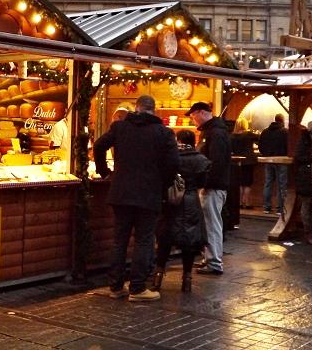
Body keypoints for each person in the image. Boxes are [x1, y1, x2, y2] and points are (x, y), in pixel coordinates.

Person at [93, 95, 179, 302]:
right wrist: (163, 183)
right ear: (154, 110)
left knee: (119, 240)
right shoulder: (164, 133)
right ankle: (138, 288)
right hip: (148, 194)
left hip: (120, 191)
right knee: (143, 240)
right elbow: (174, 164)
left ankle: (115, 287)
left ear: (137, 108)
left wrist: (105, 171)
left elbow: (98, 146)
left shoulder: (120, 127)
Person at [153, 129, 210, 293]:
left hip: (171, 200)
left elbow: (163, 176)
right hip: (191, 201)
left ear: (178, 140)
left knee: (165, 238)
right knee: (189, 242)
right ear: (194, 141)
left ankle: (157, 276)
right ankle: (187, 279)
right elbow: (202, 182)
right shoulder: (201, 160)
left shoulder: (171, 158)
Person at [185, 101, 231, 276]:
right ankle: (209, 258)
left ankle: (214, 262)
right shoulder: (213, 131)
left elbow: (216, 162)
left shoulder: (215, 133)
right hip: (212, 185)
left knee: (211, 224)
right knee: (208, 224)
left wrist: (206, 183)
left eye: (193, 115)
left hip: (212, 187)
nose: (193, 119)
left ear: (202, 113)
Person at [258, 113, 288, 214]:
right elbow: (289, 146)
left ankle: (266, 207)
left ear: (274, 120)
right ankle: (280, 208)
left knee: (268, 183)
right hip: (282, 160)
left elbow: (260, 146)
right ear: (282, 121)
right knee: (281, 185)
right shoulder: (285, 132)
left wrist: (266, 154)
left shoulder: (265, 131)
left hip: (268, 160)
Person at [230, 117, 258, 209]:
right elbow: (260, 139)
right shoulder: (248, 134)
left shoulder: (231, 136)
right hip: (248, 161)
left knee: (239, 183)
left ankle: (239, 203)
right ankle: (247, 203)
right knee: (247, 183)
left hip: (237, 161)